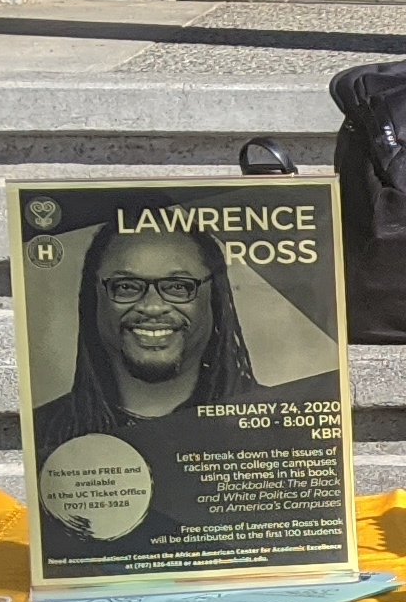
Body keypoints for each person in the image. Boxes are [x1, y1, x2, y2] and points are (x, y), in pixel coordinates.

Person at [32, 219, 256, 549]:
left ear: (216, 300)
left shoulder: (275, 428)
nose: (152, 307)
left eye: (178, 286)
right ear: (94, 298)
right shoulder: (46, 434)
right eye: (126, 287)